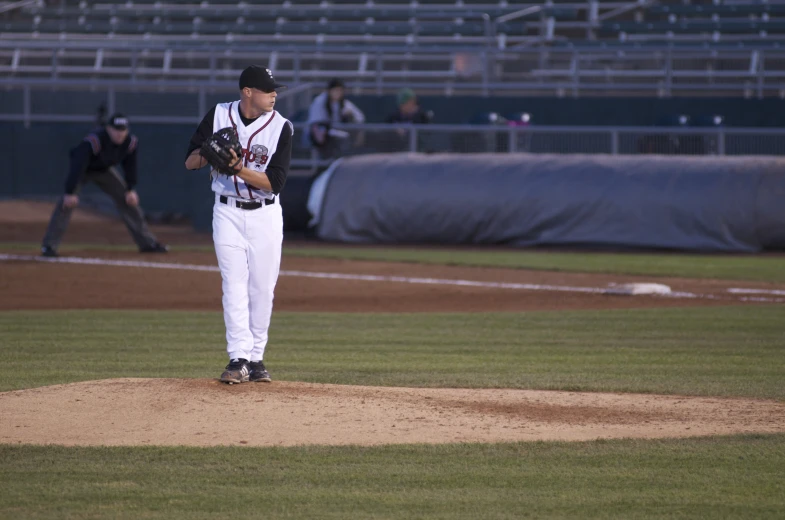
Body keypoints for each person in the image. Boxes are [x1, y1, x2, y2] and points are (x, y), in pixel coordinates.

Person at [184, 65, 293, 384]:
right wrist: (208, 152)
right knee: (233, 285)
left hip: (266, 215)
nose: (274, 95)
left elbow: (276, 182)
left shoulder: (281, 127)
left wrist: (237, 168)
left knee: (262, 288)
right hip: (227, 212)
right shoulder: (218, 115)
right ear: (248, 92)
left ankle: (257, 359)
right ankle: (238, 358)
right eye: (267, 90)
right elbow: (189, 162)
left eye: (275, 90)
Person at [41, 113, 167, 257]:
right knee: (66, 203)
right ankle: (49, 246)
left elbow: (130, 166)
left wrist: (130, 188)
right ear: (108, 129)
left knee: (129, 201)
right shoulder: (94, 141)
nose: (120, 134)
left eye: (123, 130)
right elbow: (78, 165)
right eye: (116, 130)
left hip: (104, 170)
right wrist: (70, 192)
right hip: (83, 170)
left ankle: (147, 243)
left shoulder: (130, 142)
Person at [306, 78, 365, 159]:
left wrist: (349, 115)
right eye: (335, 90)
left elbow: (360, 117)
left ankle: (342, 161)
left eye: (340, 91)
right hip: (320, 136)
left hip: (337, 133)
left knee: (343, 137)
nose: (338, 93)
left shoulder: (344, 103)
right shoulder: (320, 101)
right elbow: (316, 125)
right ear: (329, 91)